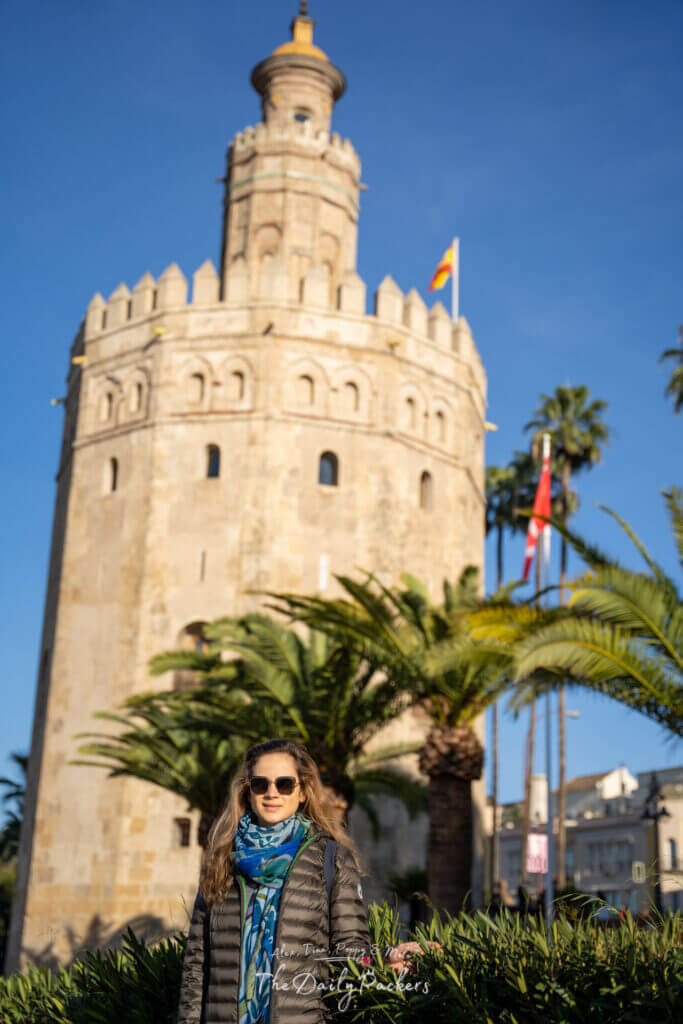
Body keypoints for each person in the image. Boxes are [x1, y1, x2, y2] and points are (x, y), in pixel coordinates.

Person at [177, 737, 433, 1024]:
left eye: (284, 784)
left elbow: (350, 950)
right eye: (260, 784)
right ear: (247, 792)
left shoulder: (331, 858)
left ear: (302, 793)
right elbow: (196, 964)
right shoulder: (223, 858)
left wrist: (388, 955)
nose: (271, 793)